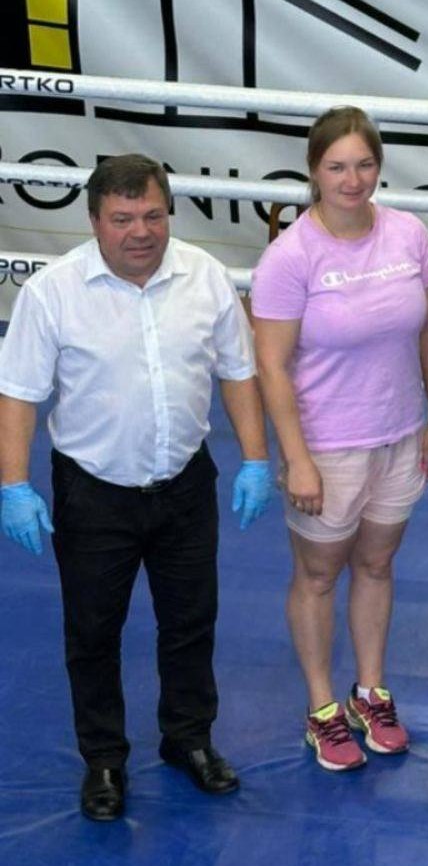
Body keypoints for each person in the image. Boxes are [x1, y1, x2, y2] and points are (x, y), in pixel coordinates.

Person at [0, 154, 272, 821]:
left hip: (185, 482)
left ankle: (189, 739)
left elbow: (238, 372)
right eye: (122, 219)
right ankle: (103, 759)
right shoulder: (53, 292)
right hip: (93, 491)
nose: (140, 231)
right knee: (93, 631)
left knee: (190, 621)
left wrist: (256, 459)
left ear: (168, 212)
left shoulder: (205, 276)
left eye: (152, 215)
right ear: (94, 220)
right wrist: (14, 484)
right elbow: (19, 392)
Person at [252, 106, 428, 772]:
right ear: (314, 170)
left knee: (376, 565)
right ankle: (321, 706)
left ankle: (371, 692)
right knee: (317, 575)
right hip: (328, 445)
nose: (352, 179)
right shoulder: (290, 257)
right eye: (337, 166)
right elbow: (270, 364)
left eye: (364, 164)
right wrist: (297, 458)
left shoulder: (407, 234)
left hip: (400, 435)